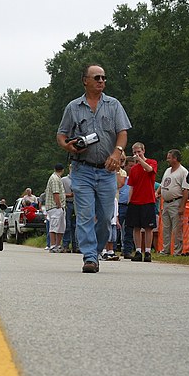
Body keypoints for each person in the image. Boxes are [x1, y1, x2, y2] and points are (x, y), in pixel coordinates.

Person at [57, 63, 131, 273]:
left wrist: (117, 153)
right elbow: (61, 134)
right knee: (85, 215)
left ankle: (96, 251)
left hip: (107, 170)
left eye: (103, 78)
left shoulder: (114, 105)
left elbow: (122, 132)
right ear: (85, 81)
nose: (101, 81)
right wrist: (67, 145)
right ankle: (89, 256)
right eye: (97, 78)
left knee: (106, 217)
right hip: (82, 169)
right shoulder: (73, 107)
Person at [126, 142, 158, 262]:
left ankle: (148, 251)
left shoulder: (152, 162)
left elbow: (149, 170)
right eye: (134, 152)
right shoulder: (134, 169)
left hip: (148, 199)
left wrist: (140, 160)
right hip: (135, 200)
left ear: (143, 151)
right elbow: (131, 186)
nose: (136, 154)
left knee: (148, 228)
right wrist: (129, 201)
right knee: (136, 227)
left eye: (138, 152)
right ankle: (138, 250)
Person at [157, 149, 189, 255]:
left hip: (176, 201)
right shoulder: (167, 170)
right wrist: (157, 193)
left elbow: (186, 190)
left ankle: (177, 251)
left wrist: (182, 206)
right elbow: (163, 184)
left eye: (169, 157)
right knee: (166, 228)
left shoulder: (183, 172)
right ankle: (165, 250)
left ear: (175, 158)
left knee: (177, 229)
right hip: (166, 202)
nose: (167, 159)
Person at [44, 163, 66, 252]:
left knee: (61, 227)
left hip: (58, 207)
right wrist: (59, 205)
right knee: (54, 226)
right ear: (63, 170)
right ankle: (53, 245)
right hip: (55, 207)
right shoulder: (55, 179)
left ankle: (57, 245)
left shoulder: (56, 178)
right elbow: (56, 193)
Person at [60, 165, 76, 253]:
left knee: (76, 225)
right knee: (67, 225)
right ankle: (65, 245)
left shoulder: (79, 179)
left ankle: (75, 245)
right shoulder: (64, 180)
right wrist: (70, 195)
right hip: (68, 203)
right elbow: (60, 194)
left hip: (77, 204)